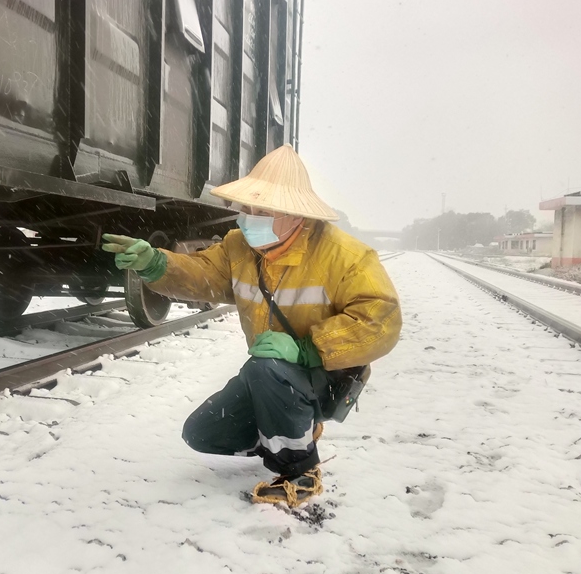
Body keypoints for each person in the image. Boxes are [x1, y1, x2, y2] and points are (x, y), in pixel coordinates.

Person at [101, 144, 401, 508]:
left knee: (267, 367)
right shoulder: (239, 247)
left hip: (328, 375)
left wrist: (308, 349)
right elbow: (203, 276)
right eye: (248, 208)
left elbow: (380, 321)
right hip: (271, 376)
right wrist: (155, 264)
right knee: (202, 433)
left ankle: (301, 471)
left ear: (296, 215)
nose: (250, 218)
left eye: (264, 210)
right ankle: (294, 431)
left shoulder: (346, 257)